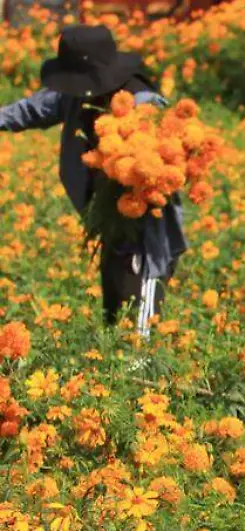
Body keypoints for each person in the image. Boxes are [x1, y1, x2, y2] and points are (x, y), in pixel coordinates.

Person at [0, 25, 186, 337]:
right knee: (115, 316)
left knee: (140, 330)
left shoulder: (144, 106)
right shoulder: (75, 97)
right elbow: (30, 110)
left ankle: (147, 378)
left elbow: (171, 165)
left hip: (146, 235)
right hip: (112, 225)